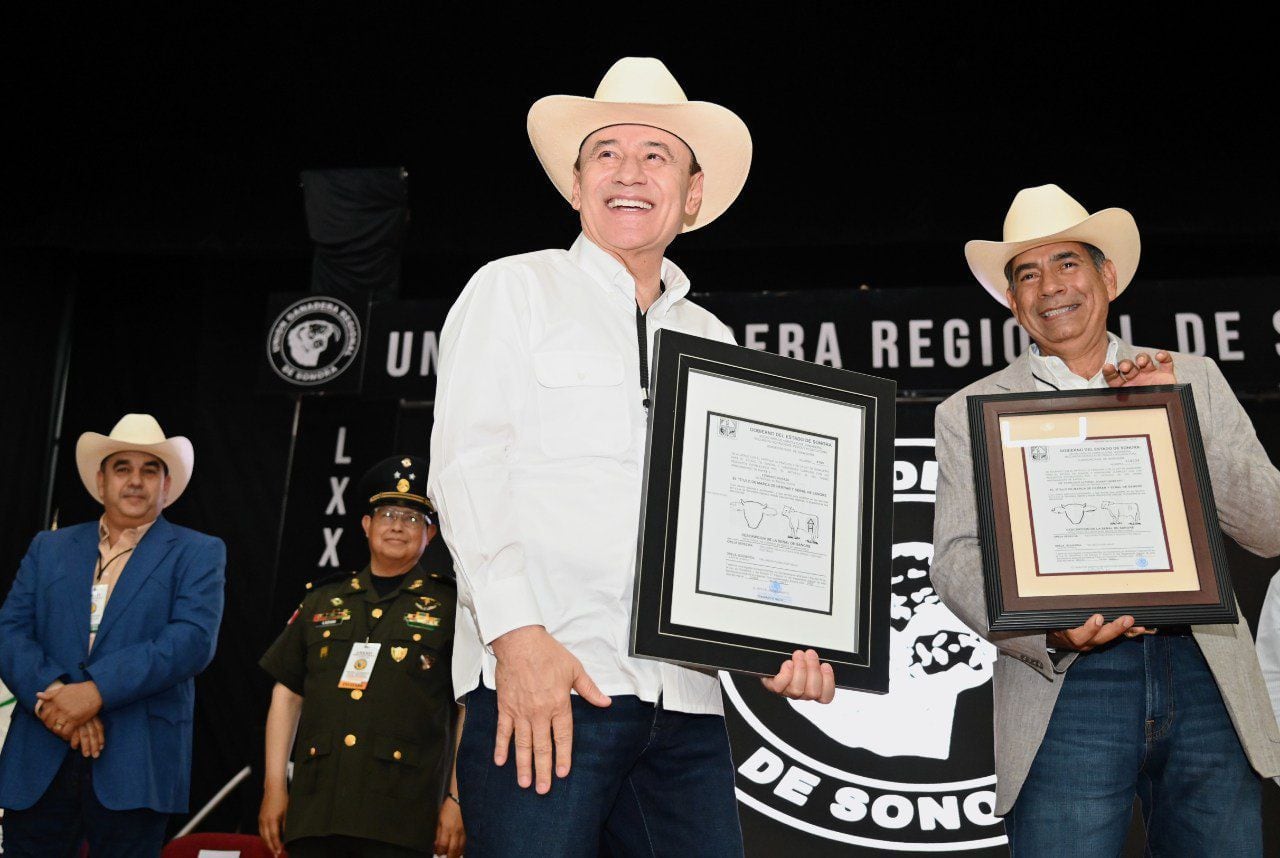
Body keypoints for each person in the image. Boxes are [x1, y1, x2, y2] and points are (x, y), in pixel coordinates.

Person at [428, 57, 834, 858]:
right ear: (575, 186)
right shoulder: (512, 290)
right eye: (606, 152)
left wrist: (777, 643)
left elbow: (740, 528)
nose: (629, 173)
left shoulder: (715, 343)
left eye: (657, 155)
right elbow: (467, 469)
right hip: (549, 686)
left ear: (691, 195)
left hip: (685, 706)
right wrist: (516, 636)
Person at [931, 184, 1280, 854]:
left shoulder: (1192, 378)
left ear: (1107, 277)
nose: (1050, 287)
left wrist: (1175, 410)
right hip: (1066, 684)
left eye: (1067, 264)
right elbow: (955, 560)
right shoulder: (969, 411)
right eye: (1026, 274)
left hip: (1205, 671)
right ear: (1012, 301)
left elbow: (1267, 526)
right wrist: (1052, 633)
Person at [0, 413, 226, 857]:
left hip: (136, 761)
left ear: (166, 486)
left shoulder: (199, 552)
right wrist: (57, 697)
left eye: (150, 470)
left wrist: (96, 692)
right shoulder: (49, 547)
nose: (135, 481)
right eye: (122, 467)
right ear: (101, 481)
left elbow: (191, 641)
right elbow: (9, 631)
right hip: (40, 754)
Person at [259, 454, 464, 858]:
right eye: (387, 513)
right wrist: (273, 788)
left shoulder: (452, 608)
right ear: (367, 525)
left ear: (432, 534)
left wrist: (457, 800)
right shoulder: (323, 600)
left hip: (402, 816)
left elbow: (466, 709)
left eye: (413, 518)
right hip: (316, 812)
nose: (398, 525)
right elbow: (286, 696)